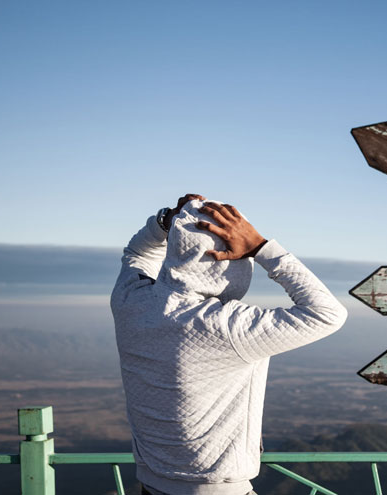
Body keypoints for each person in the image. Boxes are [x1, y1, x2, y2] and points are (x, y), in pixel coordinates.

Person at [111, 193, 348, 495]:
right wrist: (263, 248)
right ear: (232, 261)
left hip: (151, 483)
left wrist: (166, 221)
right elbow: (328, 314)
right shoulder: (227, 325)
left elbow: (136, 254)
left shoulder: (132, 301)